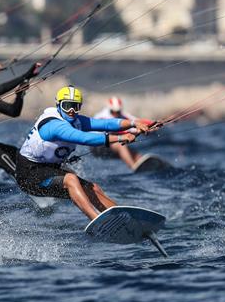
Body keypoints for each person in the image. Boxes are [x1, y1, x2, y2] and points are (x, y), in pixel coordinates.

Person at [15, 86, 152, 220]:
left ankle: (124, 220)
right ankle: (97, 219)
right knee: (71, 179)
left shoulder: (76, 120)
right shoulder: (54, 125)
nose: (71, 111)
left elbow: (105, 124)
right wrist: (121, 137)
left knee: (93, 188)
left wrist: (135, 123)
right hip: (28, 174)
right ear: (58, 105)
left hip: (49, 170)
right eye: (67, 105)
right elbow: (84, 138)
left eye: (75, 106)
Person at [92, 97, 154, 169]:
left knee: (135, 154)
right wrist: (136, 130)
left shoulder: (122, 114)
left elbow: (137, 121)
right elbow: (115, 129)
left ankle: (144, 167)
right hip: (97, 145)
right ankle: (133, 167)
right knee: (121, 146)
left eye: (118, 112)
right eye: (113, 111)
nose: (116, 114)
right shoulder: (102, 116)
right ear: (109, 109)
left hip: (110, 143)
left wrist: (152, 123)